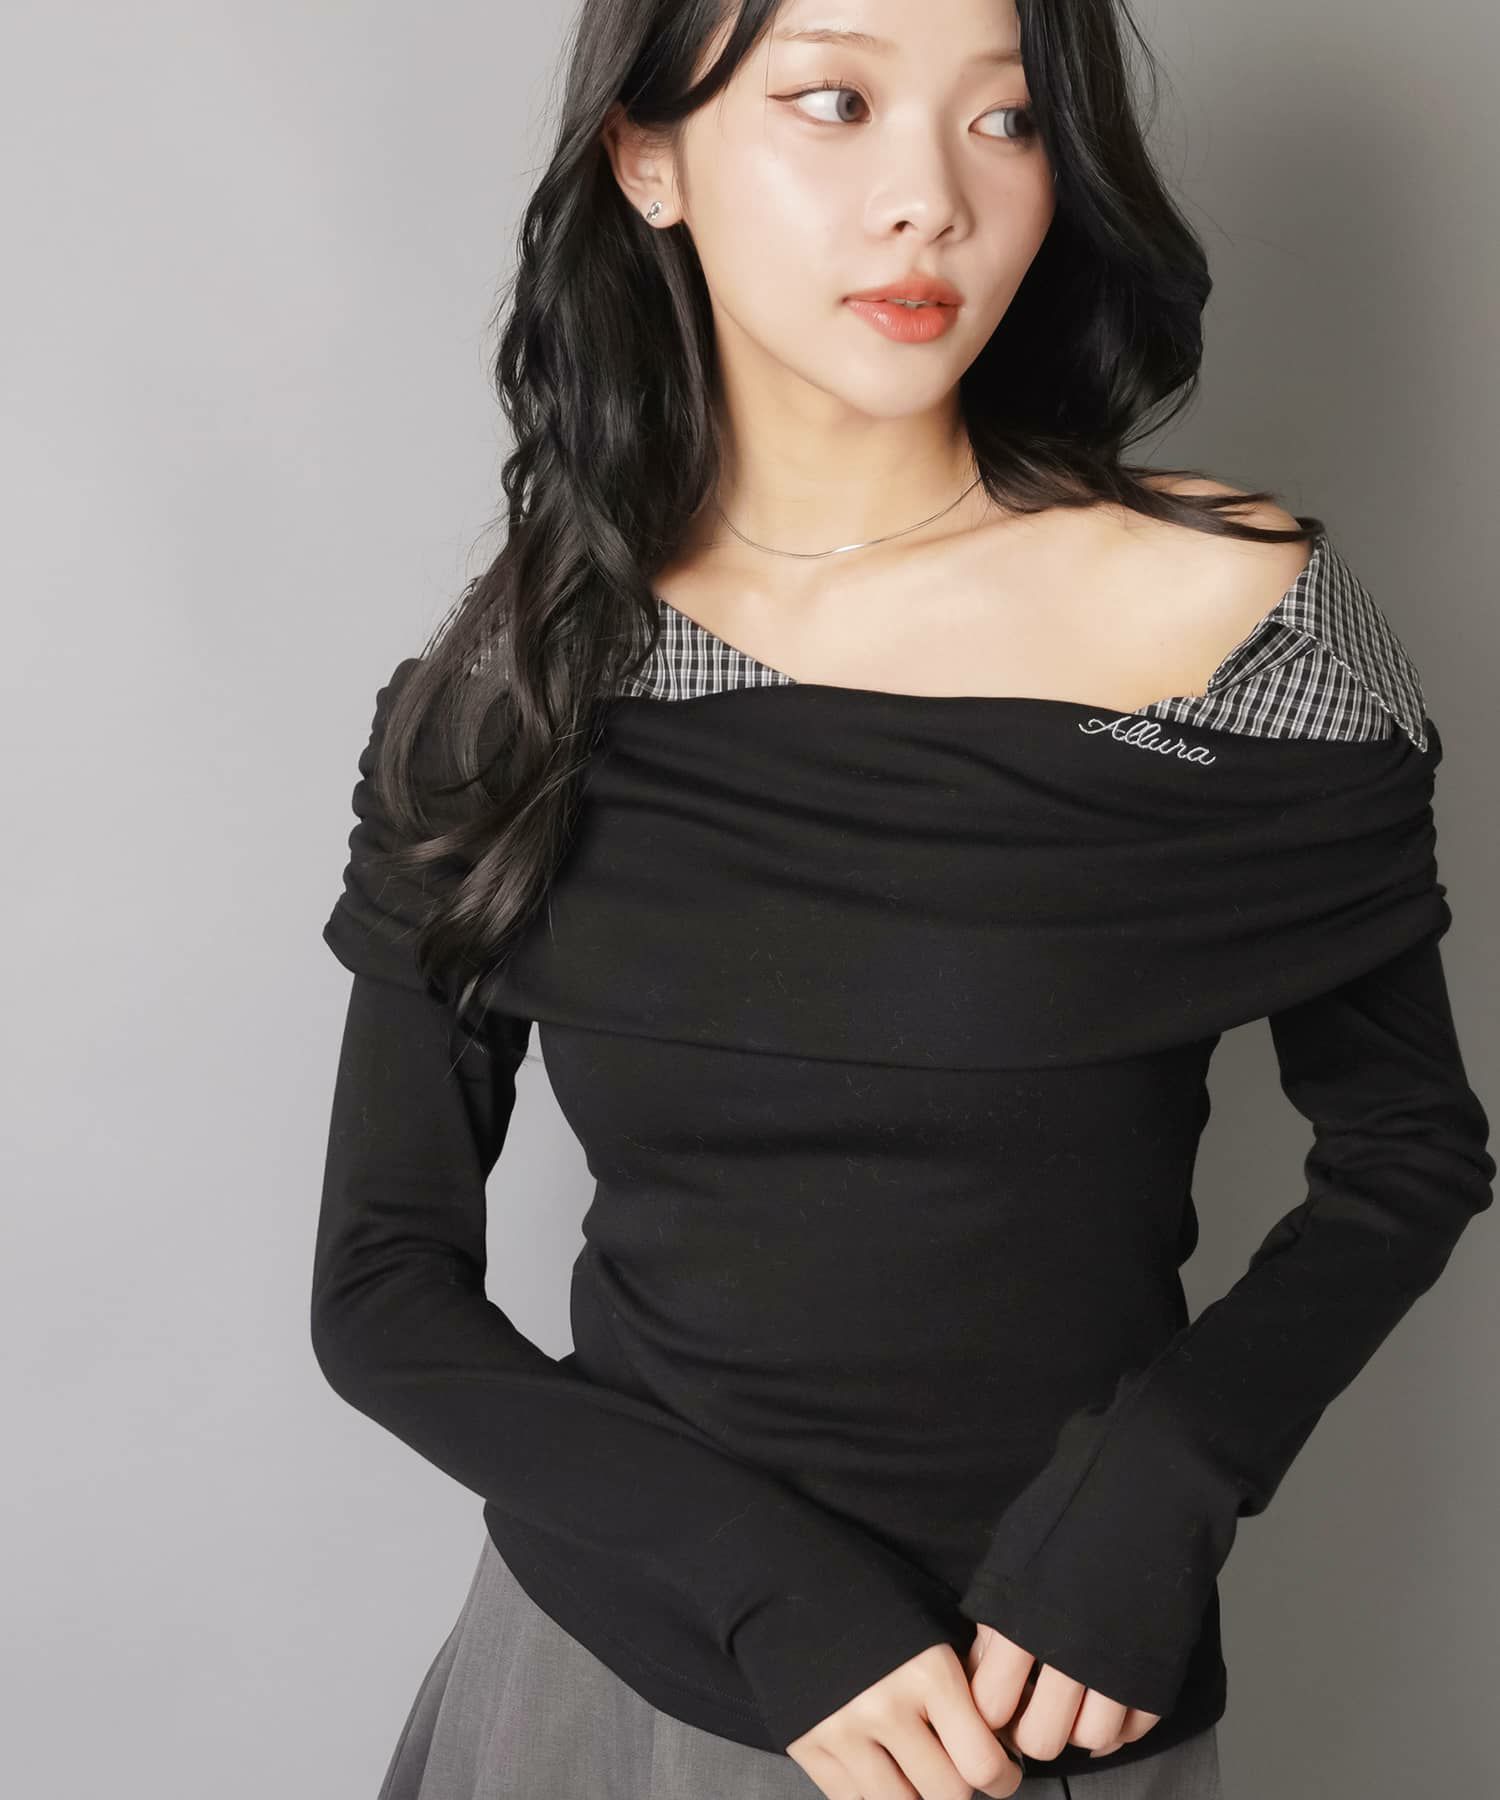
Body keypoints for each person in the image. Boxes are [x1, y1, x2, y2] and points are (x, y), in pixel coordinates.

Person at [310, 2, 1496, 1796]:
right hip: (621, 1677)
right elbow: (382, 1285)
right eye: (835, 101)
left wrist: (1165, 1484)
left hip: (1060, 1692)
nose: (929, 196)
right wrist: (759, 1592)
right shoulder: (520, 684)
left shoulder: (1246, 625)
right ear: (648, 156)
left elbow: (1407, 1148)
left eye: (1007, 122)